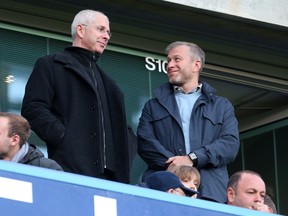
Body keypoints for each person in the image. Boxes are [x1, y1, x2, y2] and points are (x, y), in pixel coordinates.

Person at [21, 9, 130, 183]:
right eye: (101, 29)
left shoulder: (110, 84)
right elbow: (33, 108)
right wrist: (64, 137)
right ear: (81, 30)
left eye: (108, 32)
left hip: (110, 180)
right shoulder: (50, 65)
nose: (107, 36)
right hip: (69, 170)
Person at [137, 41, 240, 203]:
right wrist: (176, 167)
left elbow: (229, 144)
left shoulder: (221, 106)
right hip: (164, 191)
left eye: (177, 59)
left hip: (210, 194)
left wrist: (192, 158)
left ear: (196, 65)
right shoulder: (153, 106)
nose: (170, 65)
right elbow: (145, 143)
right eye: (168, 60)